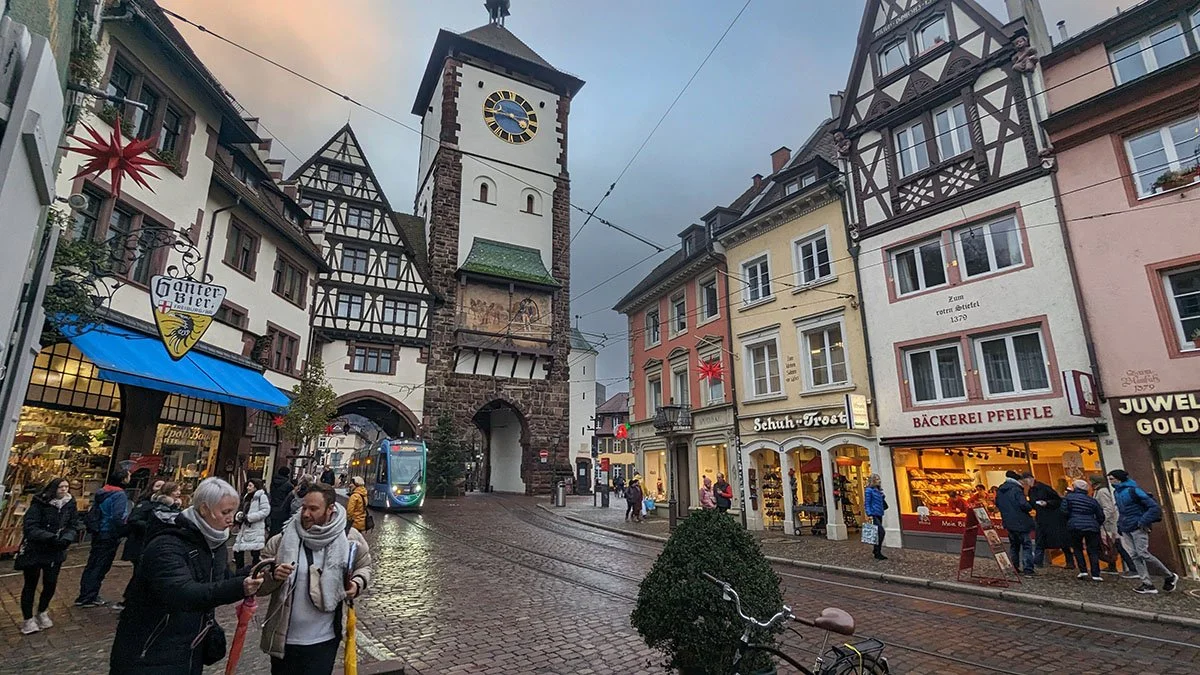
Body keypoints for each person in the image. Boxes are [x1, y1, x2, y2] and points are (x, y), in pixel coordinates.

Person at [109, 477, 264, 674]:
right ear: (204, 509)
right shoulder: (167, 544)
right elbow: (183, 592)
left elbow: (219, 579)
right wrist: (240, 586)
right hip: (150, 651)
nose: (231, 519)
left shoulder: (215, 543)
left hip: (189, 648)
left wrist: (255, 572)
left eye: (233, 512)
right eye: (225, 512)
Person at [258, 482, 372, 674]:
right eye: (304, 507)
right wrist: (273, 575)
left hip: (324, 641)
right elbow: (258, 581)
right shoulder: (283, 538)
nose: (305, 514)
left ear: (330, 509)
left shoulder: (349, 537)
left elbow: (364, 566)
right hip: (285, 639)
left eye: (313, 509)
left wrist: (357, 584)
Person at [14, 477, 79, 635]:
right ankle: (28, 619)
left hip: (56, 550)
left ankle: (42, 611)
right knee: (31, 584)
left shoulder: (70, 504)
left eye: (66, 487)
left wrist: (67, 537)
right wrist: (50, 537)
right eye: (60, 487)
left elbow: (73, 524)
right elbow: (30, 527)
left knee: (50, 583)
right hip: (36, 549)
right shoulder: (39, 504)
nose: (64, 490)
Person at [1108, 469, 1180, 594]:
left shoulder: (1134, 490)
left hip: (1138, 526)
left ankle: (1169, 576)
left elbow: (1153, 507)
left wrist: (1142, 521)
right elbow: (1122, 511)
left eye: (1111, 479)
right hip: (1126, 527)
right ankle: (1147, 583)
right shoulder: (1116, 492)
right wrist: (1120, 525)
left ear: (1119, 479)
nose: (1110, 481)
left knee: (1143, 554)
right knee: (1134, 555)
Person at [74, 469, 130, 607]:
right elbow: (118, 517)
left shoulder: (103, 491)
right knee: (101, 565)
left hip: (98, 531)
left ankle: (85, 594)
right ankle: (89, 596)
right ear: (123, 479)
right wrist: (125, 529)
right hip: (109, 533)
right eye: (129, 476)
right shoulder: (119, 495)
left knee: (92, 563)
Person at [1089, 474, 1134, 576]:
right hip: (1107, 524)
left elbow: (1108, 508)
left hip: (1108, 524)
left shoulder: (1102, 492)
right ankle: (1113, 565)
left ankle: (1131, 567)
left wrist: (1102, 520)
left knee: (1114, 545)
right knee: (1111, 545)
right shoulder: (1099, 491)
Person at [1061, 479, 1105, 581]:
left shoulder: (1069, 498)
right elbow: (1100, 515)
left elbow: (1063, 511)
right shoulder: (1091, 500)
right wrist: (1096, 524)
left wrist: (1070, 520)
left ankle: (1083, 571)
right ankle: (1096, 574)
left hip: (1075, 526)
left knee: (1077, 548)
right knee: (1093, 550)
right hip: (1092, 527)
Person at [995, 471, 1036, 575]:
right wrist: (1030, 505)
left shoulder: (1001, 490)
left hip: (1008, 522)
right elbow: (1024, 505)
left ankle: (1014, 567)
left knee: (1014, 546)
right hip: (1021, 522)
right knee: (1026, 545)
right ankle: (1028, 569)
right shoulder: (1016, 490)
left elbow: (997, 504)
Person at [1029, 477, 1073, 569]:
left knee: (1059, 540)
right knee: (1041, 540)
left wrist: (1047, 503)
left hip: (1054, 518)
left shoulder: (1044, 489)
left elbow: (1057, 501)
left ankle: (1069, 562)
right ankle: (1038, 562)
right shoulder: (1032, 490)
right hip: (1042, 518)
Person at [233, 478, 271, 569]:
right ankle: (240, 569)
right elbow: (243, 508)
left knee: (255, 551)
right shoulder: (247, 496)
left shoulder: (261, 496)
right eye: (248, 485)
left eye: (250, 486)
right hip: (245, 528)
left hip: (255, 528)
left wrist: (250, 518)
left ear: (256, 487)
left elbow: (265, 511)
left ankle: (254, 570)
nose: (248, 487)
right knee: (238, 550)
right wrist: (239, 516)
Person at [864, 473, 888, 560]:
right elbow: (867, 503)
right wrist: (869, 514)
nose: (879, 481)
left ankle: (877, 551)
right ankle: (877, 551)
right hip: (873, 514)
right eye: (877, 479)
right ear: (873, 481)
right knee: (881, 532)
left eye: (879, 479)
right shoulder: (869, 490)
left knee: (877, 534)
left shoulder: (878, 490)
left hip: (879, 513)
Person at [269, 466, 294, 536]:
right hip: (283, 510)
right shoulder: (289, 485)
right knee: (280, 530)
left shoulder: (273, 482)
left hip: (273, 507)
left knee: (273, 528)